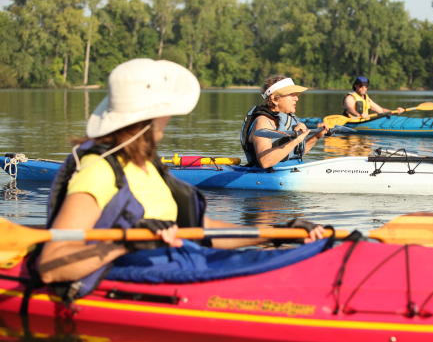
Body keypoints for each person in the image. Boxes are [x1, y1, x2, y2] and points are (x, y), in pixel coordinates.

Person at [36, 59, 324, 297]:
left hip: (187, 261)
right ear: (150, 116)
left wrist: (277, 232)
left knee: (308, 257)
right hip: (147, 278)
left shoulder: (149, 167)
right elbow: (51, 265)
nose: (170, 116)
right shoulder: (99, 171)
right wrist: (127, 243)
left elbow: (201, 229)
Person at [240, 75, 328, 168]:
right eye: (292, 95)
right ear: (275, 99)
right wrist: (297, 139)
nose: (296, 99)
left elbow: (294, 152)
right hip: (264, 176)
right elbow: (265, 161)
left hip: (288, 170)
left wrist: (317, 136)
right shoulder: (262, 122)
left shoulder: (288, 118)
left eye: (296, 95)